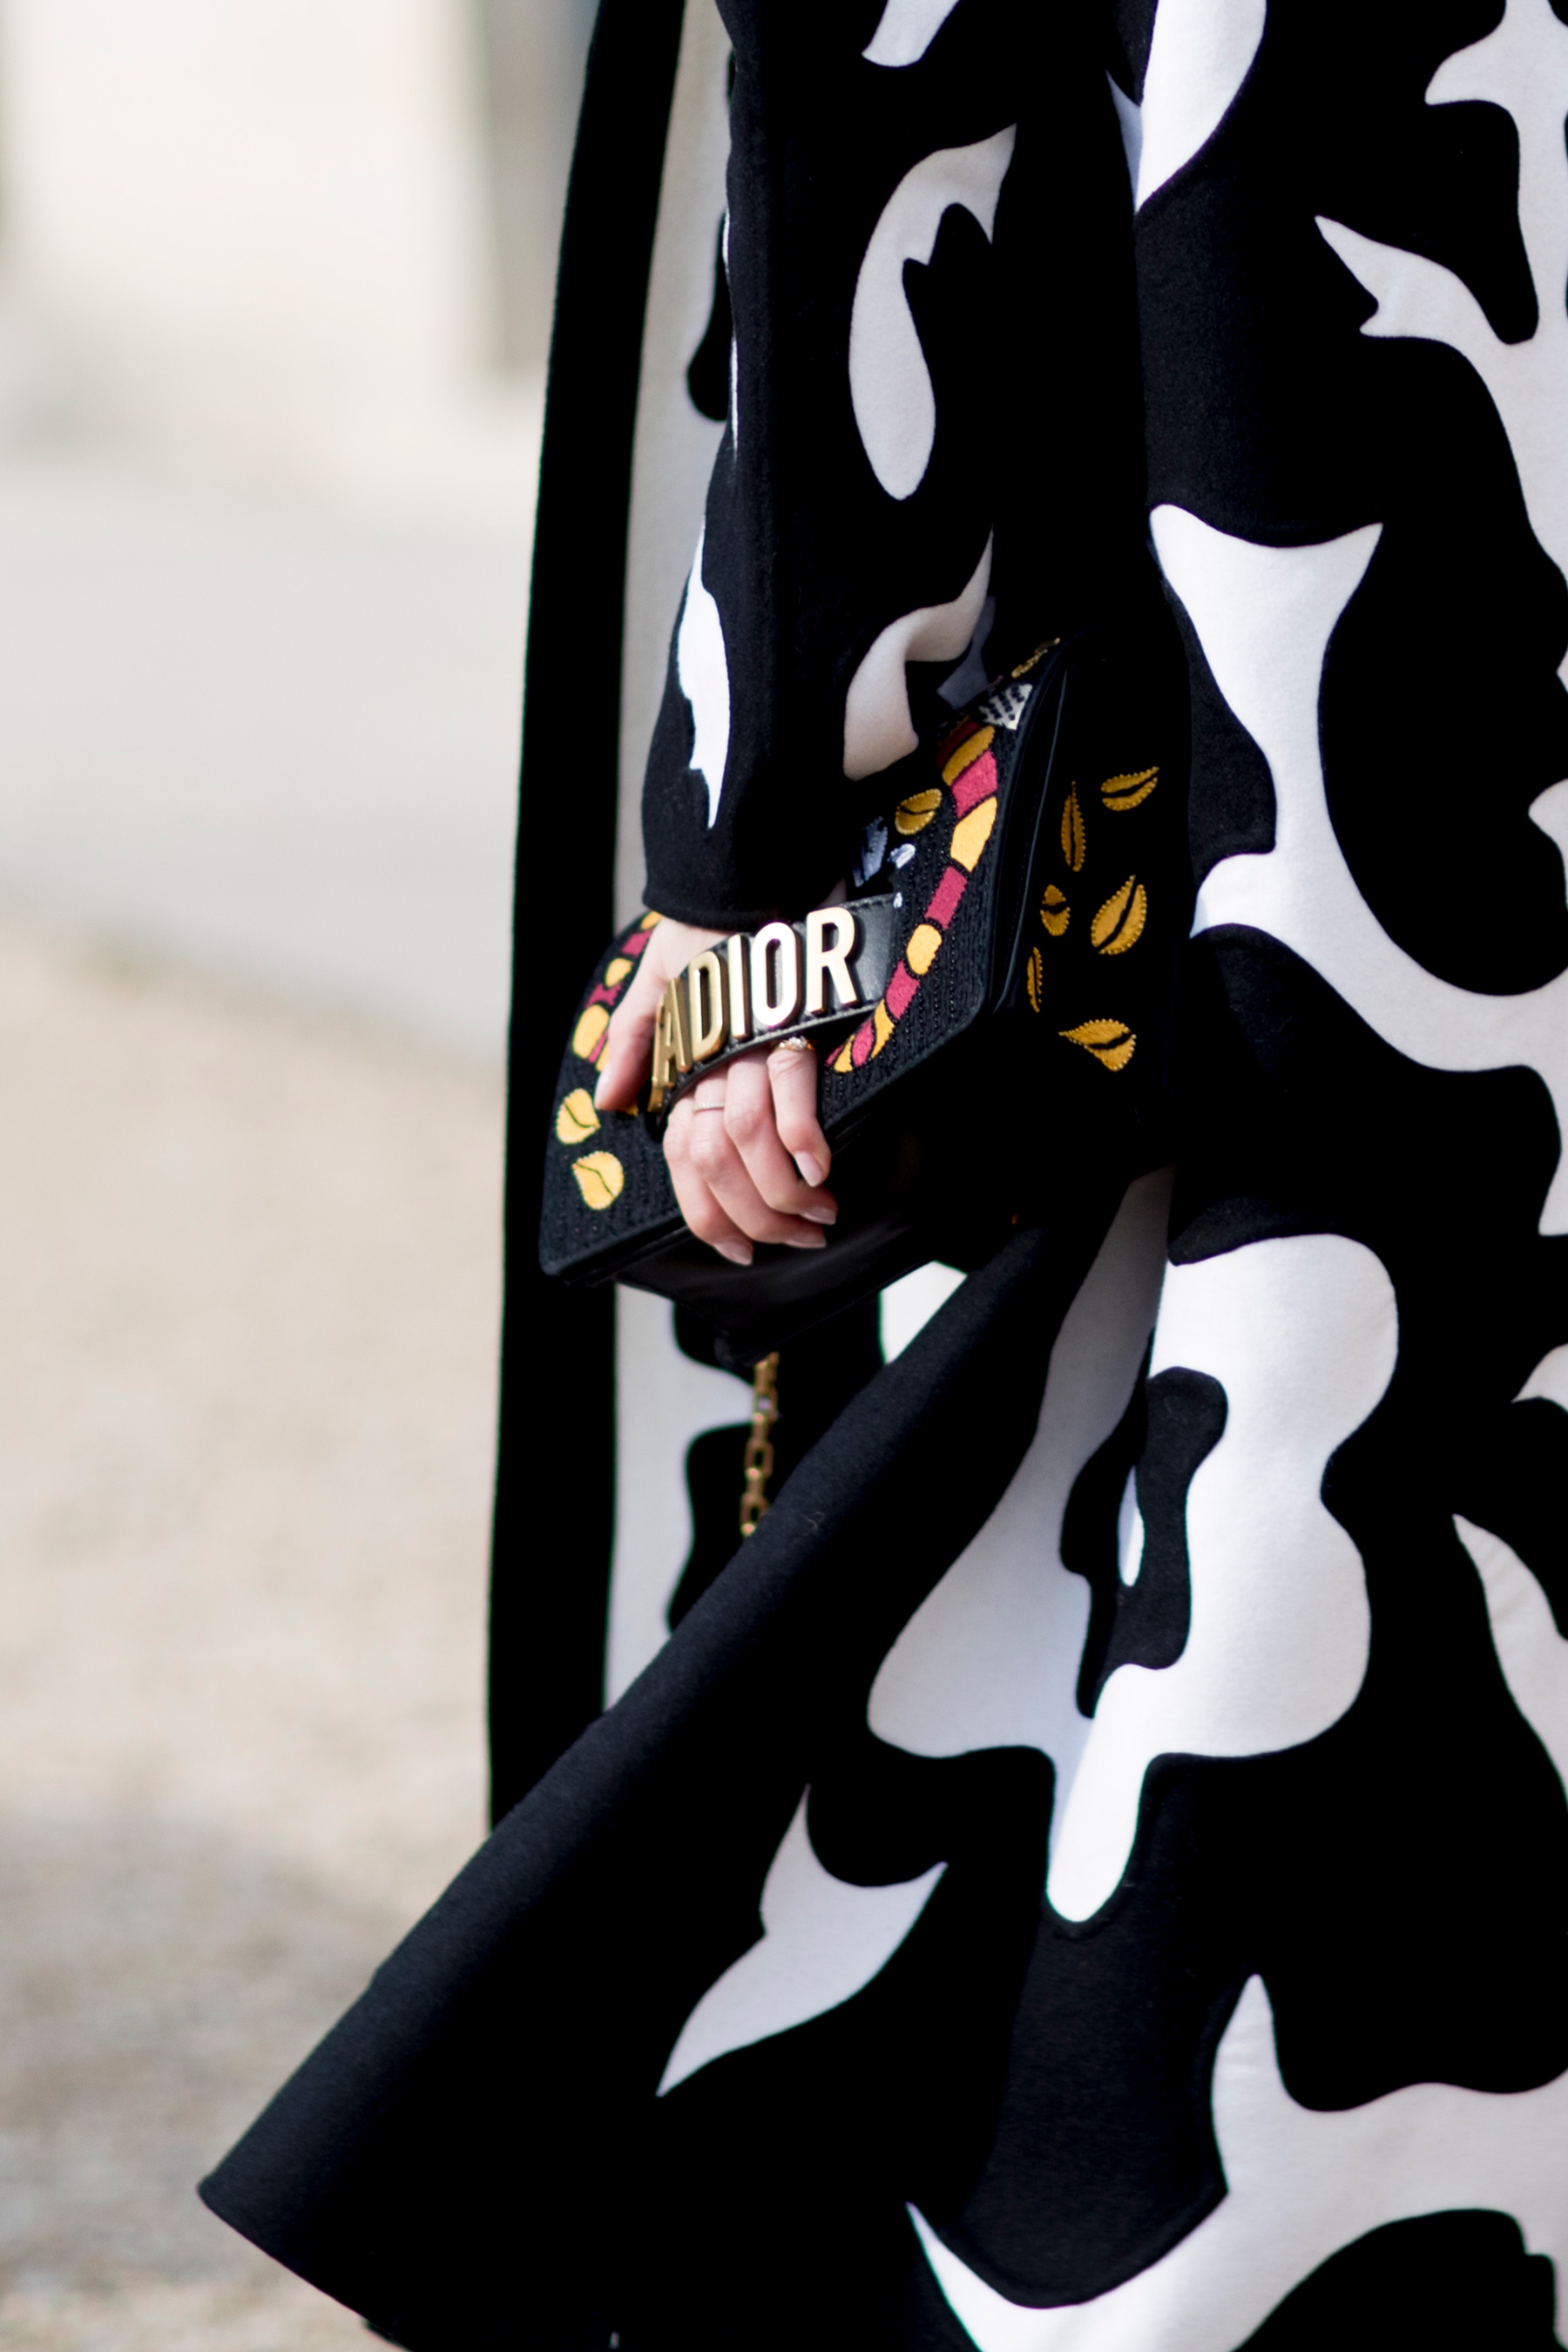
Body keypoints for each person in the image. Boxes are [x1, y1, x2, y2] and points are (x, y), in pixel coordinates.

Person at [201, 0, 1568, 2343]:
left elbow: (888, 65)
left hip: (1287, 711)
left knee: (1225, 1622)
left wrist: (765, 852)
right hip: (1453, 643)